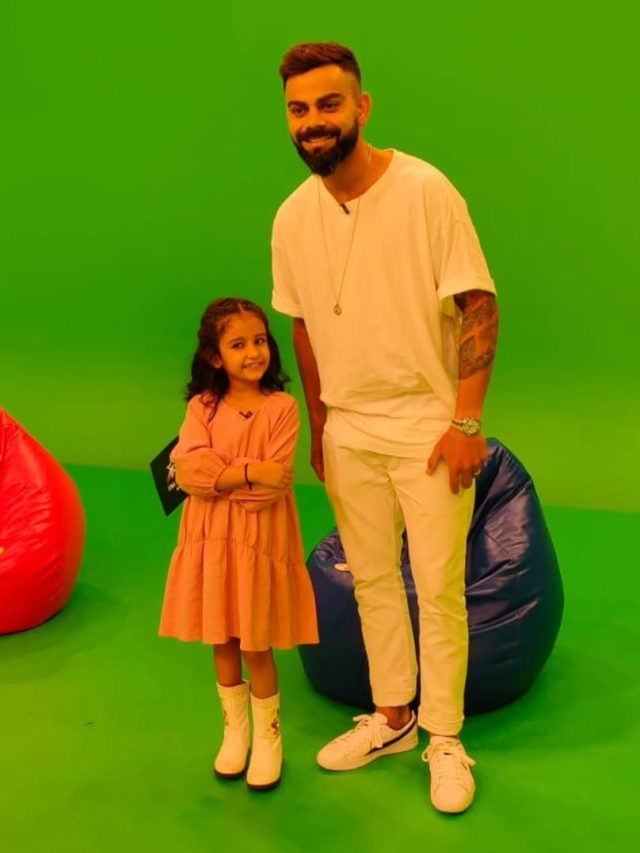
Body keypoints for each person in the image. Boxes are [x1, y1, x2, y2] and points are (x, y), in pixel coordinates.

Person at [271, 43, 499, 814]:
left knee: (438, 587)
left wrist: (466, 420)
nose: (312, 121)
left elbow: (478, 303)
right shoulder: (292, 216)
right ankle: (393, 716)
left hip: (428, 423)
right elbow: (301, 324)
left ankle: (444, 736)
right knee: (371, 579)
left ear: (362, 107)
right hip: (349, 428)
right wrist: (320, 425)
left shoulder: (426, 190)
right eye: (298, 109)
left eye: (328, 104)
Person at [159, 297, 319, 791]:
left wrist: (220, 477)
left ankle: (269, 739)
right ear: (214, 356)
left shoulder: (282, 408)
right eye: (238, 344)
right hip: (211, 541)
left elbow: (272, 489)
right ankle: (235, 731)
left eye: (259, 341)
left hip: (258, 540)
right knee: (223, 639)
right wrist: (248, 471)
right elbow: (188, 471)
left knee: (256, 643)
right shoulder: (201, 408)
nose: (253, 353)